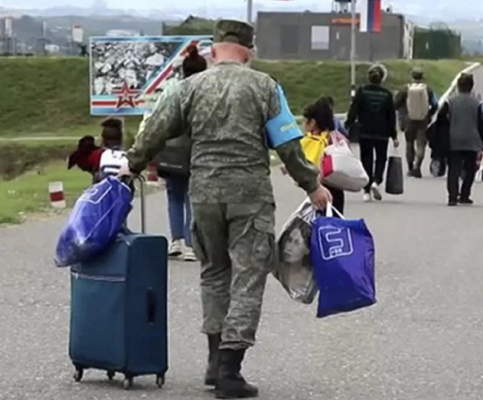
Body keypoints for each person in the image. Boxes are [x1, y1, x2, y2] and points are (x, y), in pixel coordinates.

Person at [120, 20, 332, 399]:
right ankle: (231, 371)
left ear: (213, 51)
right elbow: (287, 145)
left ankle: (214, 361)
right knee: (248, 277)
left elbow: (154, 129)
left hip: (203, 196)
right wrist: (312, 185)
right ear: (248, 53)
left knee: (214, 272)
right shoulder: (265, 87)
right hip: (249, 195)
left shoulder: (190, 87)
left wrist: (131, 166)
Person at [140, 44, 208, 262]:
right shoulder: (207, 93)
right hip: (197, 150)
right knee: (192, 197)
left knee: (174, 195)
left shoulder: (171, 91)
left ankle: (176, 241)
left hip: (171, 151)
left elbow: (156, 118)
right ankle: (191, 244)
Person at [346, 64, 398, 202]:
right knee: (381, 158)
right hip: (382, 133)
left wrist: (348, 126)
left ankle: (367, 190)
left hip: (365, 132)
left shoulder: (362, 92)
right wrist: (394, 135)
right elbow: (391, 117)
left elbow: (353, 110)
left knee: (366, 159)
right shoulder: (387, 95)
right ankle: (377, 181)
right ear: (382, 78)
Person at [437, 73, 483, 206]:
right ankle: (465, 194)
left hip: (454, 139)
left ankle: (452, 196)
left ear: (458, 86)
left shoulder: (450, 101)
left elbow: (440, 118)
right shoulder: (476, 102)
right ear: (471, 87)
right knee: (470, 169)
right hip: (472, 139)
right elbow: (481, 123)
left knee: (454, 168)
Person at [299, 99, 348, 215]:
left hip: (320, 188)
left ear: (313, 122)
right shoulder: (336, 137)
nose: (303, 124)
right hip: (337, 185)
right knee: (336, 220)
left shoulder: (313, 140)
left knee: (320, 220)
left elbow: (306, 161)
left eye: (305, 121)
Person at [394, 67, 438, 178]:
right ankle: (417, 166)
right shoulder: (428, 89)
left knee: (409, 144)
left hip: (408, 120)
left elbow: (396, 104)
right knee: (421, 144)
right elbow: (435, 104)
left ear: (412, 76)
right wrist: (429, 114)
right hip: (423, 120)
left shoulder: (405, 89)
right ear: (422, 77)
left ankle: (410, 167)